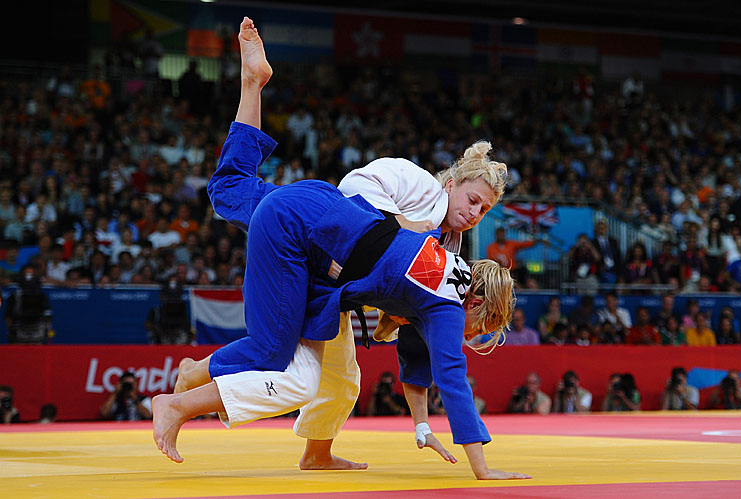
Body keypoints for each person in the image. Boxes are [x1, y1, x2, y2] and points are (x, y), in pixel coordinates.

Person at [152, 18, 528, 481]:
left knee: (231, 190)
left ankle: (252, 84)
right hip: (315, 233)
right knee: (279, 356)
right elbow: (355, 188)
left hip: (323, 251)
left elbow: (419, 351)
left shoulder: (450, 252)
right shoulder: (422, 192)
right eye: (473, 200)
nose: (475, 213)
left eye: (485, 210)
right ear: (451, 182)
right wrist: (401, 229)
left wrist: (421, 423)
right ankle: (189, 390)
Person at [3, 265, 52, 344]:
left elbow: (48, 315)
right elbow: (8, 316)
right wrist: (12, 330)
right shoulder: (14, 296)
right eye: (26, 274)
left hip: (37, 331)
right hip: (19, 331)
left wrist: (46, 329)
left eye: (31, 274)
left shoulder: (41, 296)